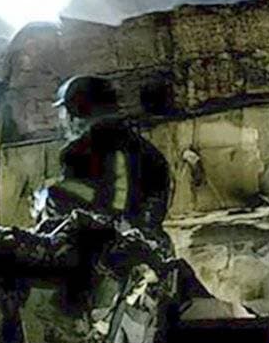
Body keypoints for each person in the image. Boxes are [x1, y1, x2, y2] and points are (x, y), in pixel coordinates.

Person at [32, 75, 172, 231]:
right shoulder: (148, 151)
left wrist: (50, 194)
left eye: (63, 112)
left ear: (76, 110)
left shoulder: (81, 150)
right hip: (151, 243)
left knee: (54, 194)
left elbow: (110, 203)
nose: (61, 120)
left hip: (109, 242)